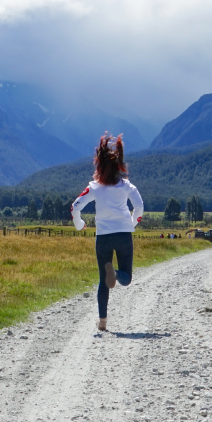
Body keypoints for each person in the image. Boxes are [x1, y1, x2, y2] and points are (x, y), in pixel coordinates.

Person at [70, 133, 144, 332]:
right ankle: (117, 273)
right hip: (123, 235)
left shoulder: (93, 187)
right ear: (119, 165)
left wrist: (79, 224)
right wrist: (132, 224)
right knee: (126, 277)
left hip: (102, 236)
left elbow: (75, 207)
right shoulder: (126, 185)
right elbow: (140, 206)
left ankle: (102, 322)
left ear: (99, 166)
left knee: (103, 281)